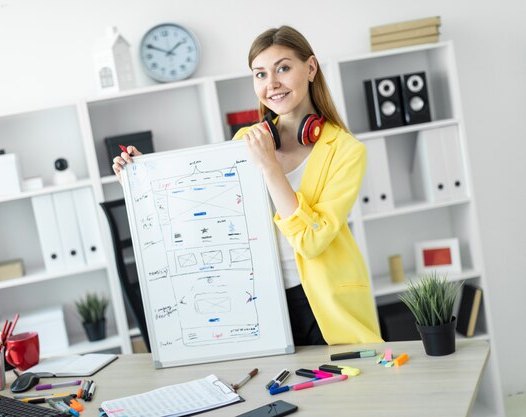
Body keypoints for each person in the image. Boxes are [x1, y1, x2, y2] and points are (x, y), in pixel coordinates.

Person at [112, 25, 382, 345]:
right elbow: (205, 213)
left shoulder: (346, 151)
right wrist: (143, 175)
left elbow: (310, 241)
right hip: (259, 300)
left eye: (283, 68)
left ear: (310, 68)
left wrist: (270, 167)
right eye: (260, 74)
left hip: (322, 305)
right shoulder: (245, 141)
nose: (272, 84)